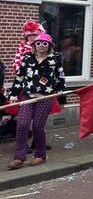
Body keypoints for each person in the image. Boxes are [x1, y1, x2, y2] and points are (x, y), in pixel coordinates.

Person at [7, 33, 65, 169]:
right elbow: (20, 76)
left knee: (38, 126)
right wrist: (13, 94)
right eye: (38, 43)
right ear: (34, 45)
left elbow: (60, 79)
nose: (41, 46)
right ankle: (19, 157)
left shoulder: (54, 59)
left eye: (45, 44)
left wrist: (61, 98)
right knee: (22, 124)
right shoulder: (28, 57)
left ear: (49, 46)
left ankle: (40, 155)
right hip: (27, 96)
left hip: (45, 97)